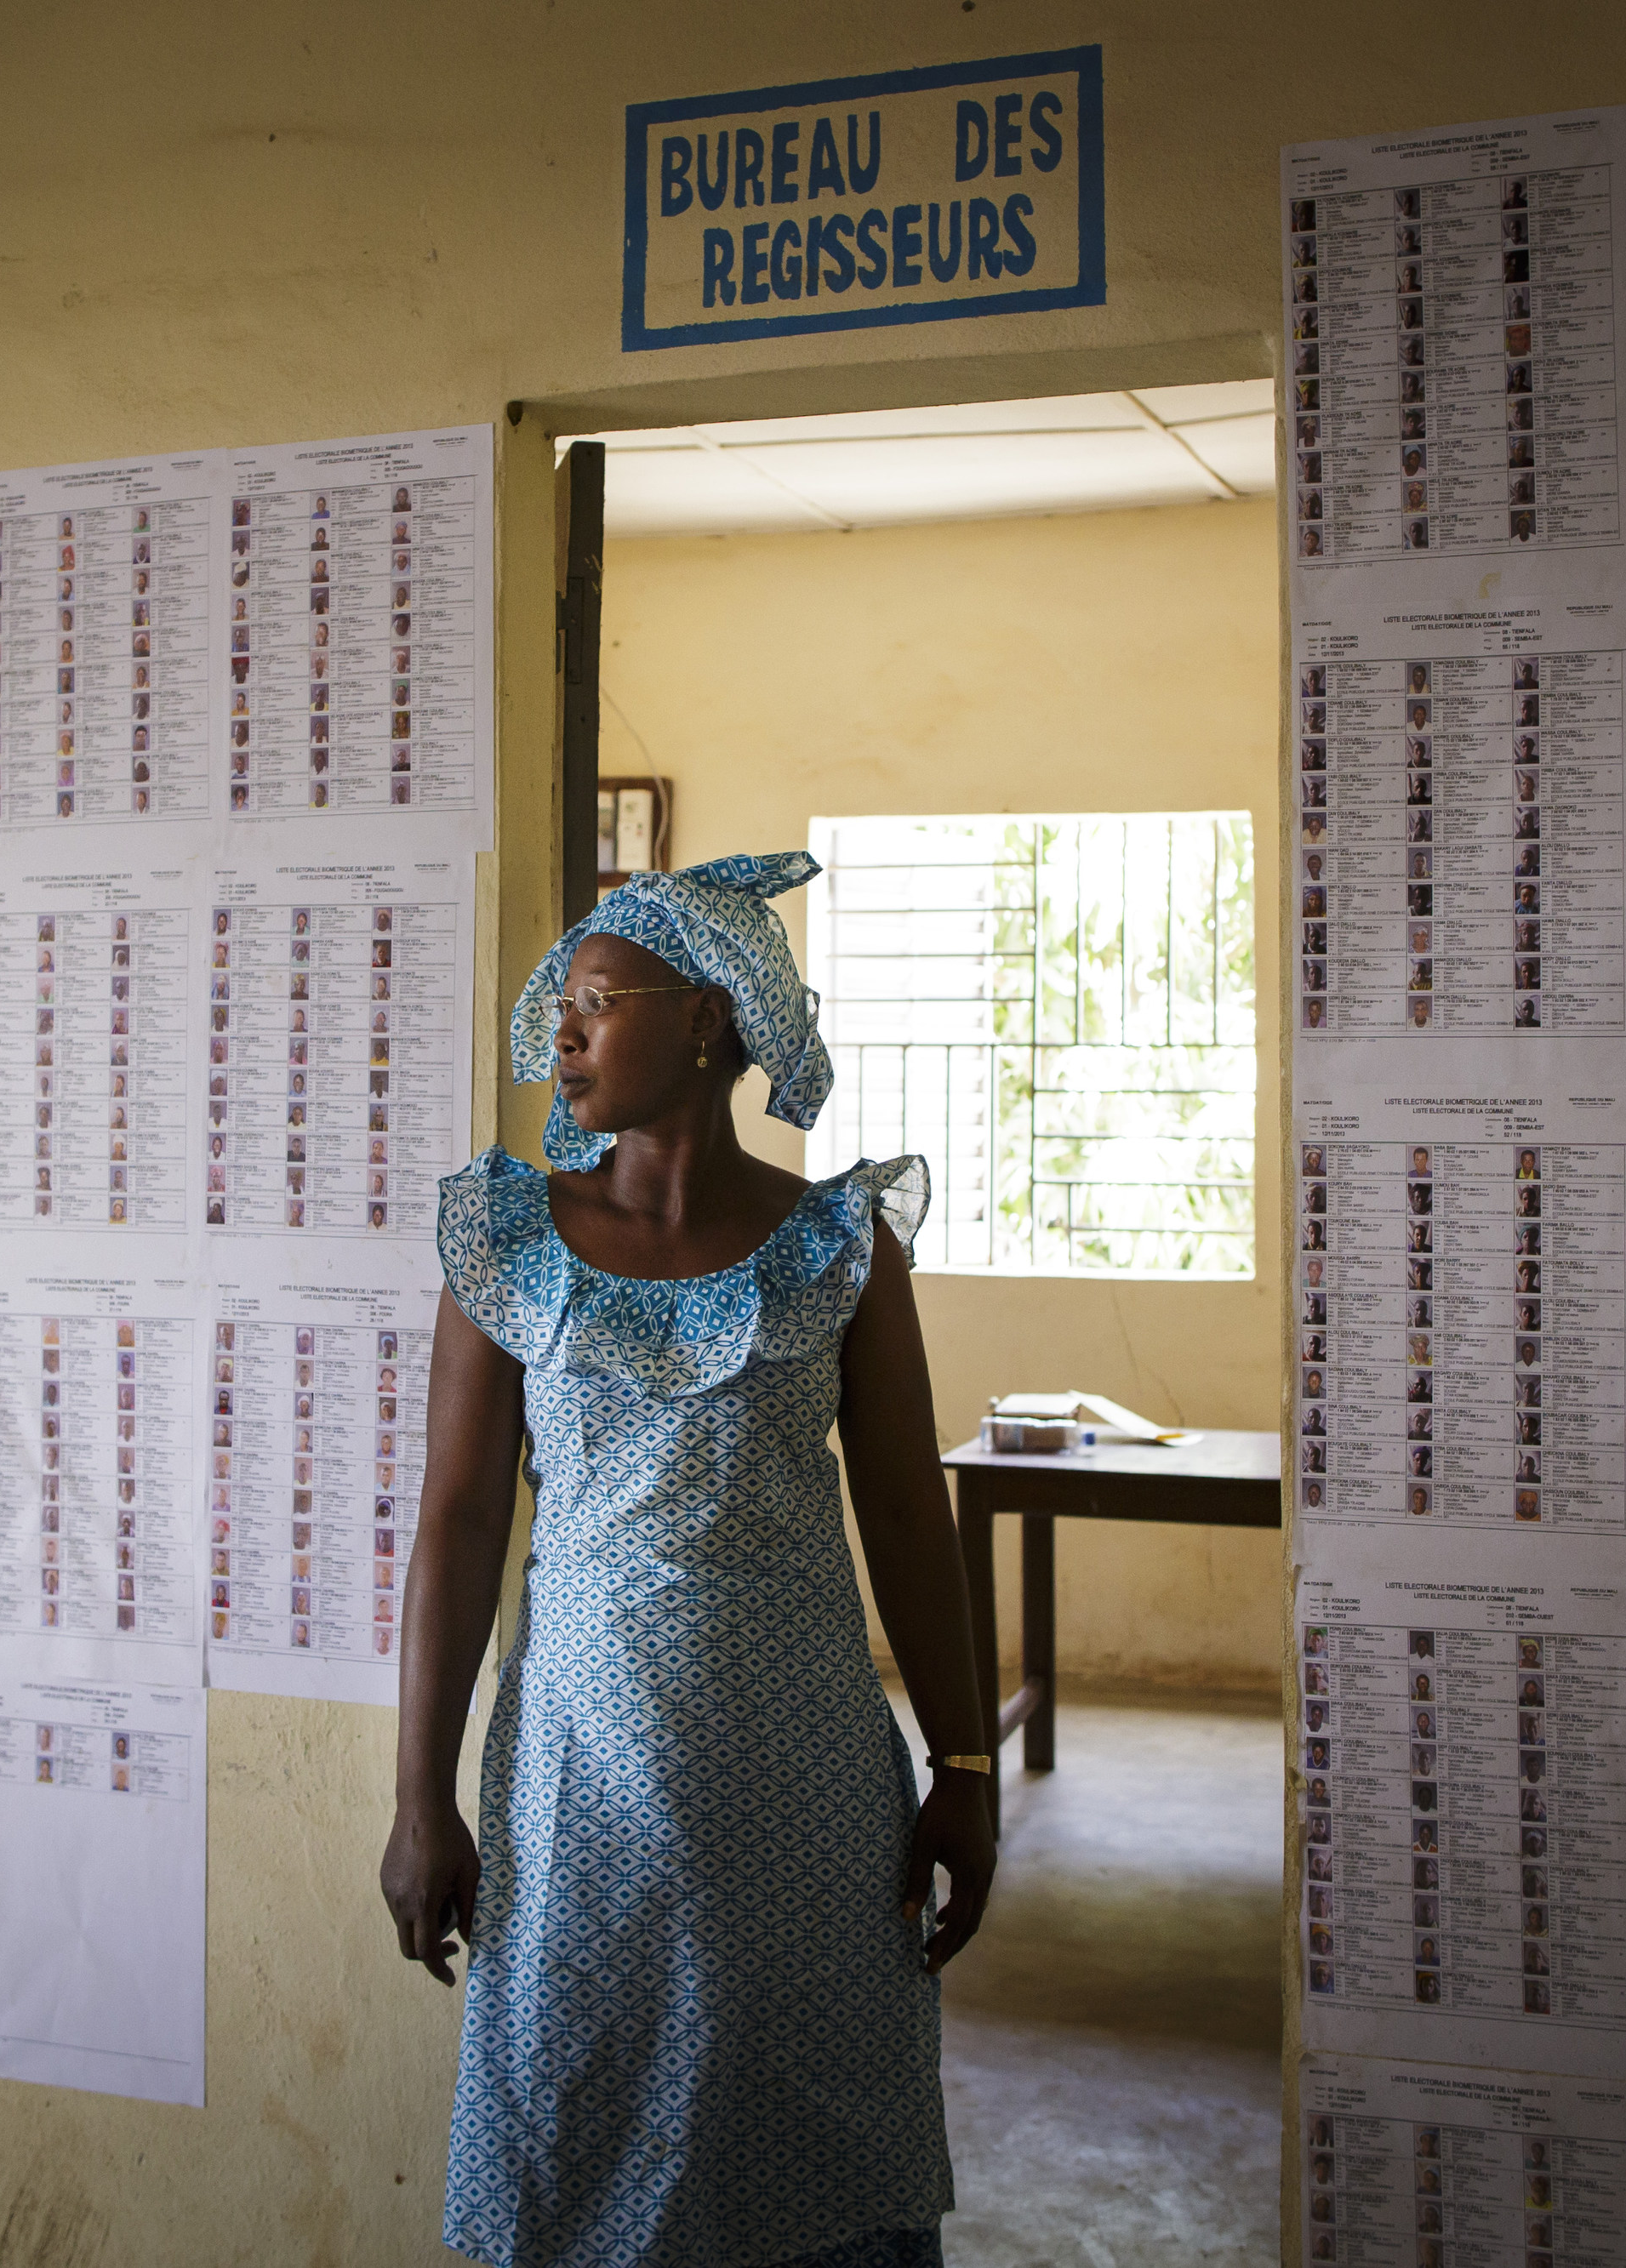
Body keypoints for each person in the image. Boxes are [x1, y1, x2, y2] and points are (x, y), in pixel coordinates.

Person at [384, 851, 992, 2268]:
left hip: (813, 1807)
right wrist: (420, 1796)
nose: (566, 1034)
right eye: (562, 1007)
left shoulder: (837, 1247)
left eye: (598, 1000)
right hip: (580, 1800)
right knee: (582, 2142)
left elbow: (908, 1513)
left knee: (819, 2149)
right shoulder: (511, 1240)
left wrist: (963, 1765)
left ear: (712, 1016)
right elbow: (460, 1521)